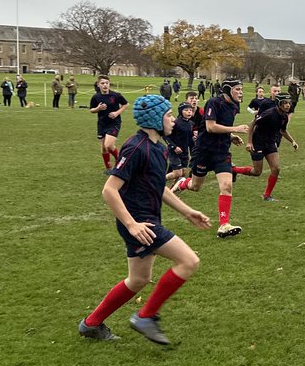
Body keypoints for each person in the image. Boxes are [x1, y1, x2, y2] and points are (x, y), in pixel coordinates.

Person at [78, 95, 209, 346]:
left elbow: (159, 186)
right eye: (168, 114)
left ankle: (91, 324)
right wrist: (131, 224)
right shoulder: (136, 147)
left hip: (144, 221)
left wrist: (187, 211)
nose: (172, 119)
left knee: (138, 279)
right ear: (154, 119)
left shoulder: (159, 147)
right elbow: (109, 190)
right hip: (140, 224)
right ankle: (146, 316)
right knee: (189, 261)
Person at [171, 79, 251, 238]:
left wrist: (231, 135)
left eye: (241, 89)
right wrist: (235, 129)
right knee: (195, 186)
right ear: (228, 90)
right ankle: (183, 183)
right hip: (204, 151)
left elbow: (222, 126)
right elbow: (210, 126)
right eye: (237, 89)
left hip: (222, 152)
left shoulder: (235, 105)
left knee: (227, 185)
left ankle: (224, 224)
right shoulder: (213, 102)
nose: (241, 92)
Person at [244, 92, 298, 200]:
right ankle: (234, 170)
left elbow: (283, 131)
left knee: (276, 168)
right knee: (257, 172)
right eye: (285, 103)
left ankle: (267, 195)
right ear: (279, 103)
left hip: (269, 143)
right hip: (257, 142)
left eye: (289, 103)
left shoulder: (284, 117)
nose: (288, 105)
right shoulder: (269, 113)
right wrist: (249, 142)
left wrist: (293, 141)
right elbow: (253, 124)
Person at [89, 76, 129, 171]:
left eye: (107, 83)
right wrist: (98, 109)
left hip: (114, 123)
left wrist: (117, 113)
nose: (105, 85)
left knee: (109, 145)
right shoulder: (96, 97)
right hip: (102, 124)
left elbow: (126, 104)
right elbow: (92, 110)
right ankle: (108, 169)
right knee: (103, 148)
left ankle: (119, 159)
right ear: (99, 85)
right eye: (102, 83)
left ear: (109, 84)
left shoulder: (115, 95)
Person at [165, 100, 197, 184]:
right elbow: (166, 137)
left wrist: (193, 151)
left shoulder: (191, 124)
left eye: (190, 110)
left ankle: (172, 192)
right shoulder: (175, 123)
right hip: (174, 152)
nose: (189, 112)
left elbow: (190, 140)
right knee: (177, 173)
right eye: (186, 110)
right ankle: (160, 179)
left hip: (184, 152)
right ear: (180, 111)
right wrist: (174, 147)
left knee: (182, 174)